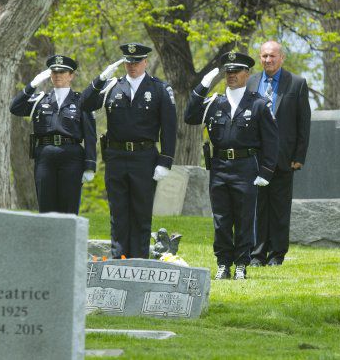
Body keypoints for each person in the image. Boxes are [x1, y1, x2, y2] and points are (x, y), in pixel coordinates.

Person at [186, 52, 278, 280]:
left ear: (247, 74)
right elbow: (189, 116)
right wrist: (203, 86)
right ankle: (223, 263)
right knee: (221, 219)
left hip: (246, 166)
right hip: (219, 166)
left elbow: (271, 141)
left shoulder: (258, 104)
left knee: (245, 218)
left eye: (236, 71)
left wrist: (266, 171)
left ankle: (241, 264)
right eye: (228, 72)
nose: (231, 76)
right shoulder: (214, 103)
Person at [80, 43, 177, 259]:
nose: (132, 66)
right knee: (118, 214)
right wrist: (99, 80)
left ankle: (139, 261)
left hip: (144, 158)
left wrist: (165, 161)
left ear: (146, 62)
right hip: (116, 157)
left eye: (136, 61)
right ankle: (119, 261)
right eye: (128, 61)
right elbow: (84, 104)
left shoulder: (159, 89)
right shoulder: (112, 86)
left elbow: (169, 128)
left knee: (141, 213)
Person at [247, 40, 310, 267]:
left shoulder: (297, 83)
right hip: (255, 158)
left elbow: (303, 124)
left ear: (281, 58)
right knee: (257, 209)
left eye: (272, 56)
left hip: (284, 158)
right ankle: (257, 254)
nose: (268, 60)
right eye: (264, 56)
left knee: (280, 209)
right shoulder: (251, 82)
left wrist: (299, 157)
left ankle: (276, 255)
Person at [9, 55, 97, 214]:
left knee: (69, 207)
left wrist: (90, 165)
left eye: (62, 72)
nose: (57, 75)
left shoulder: (81, 100)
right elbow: (15, 108)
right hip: (45, 156)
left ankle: (68, 239)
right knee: (46, 206)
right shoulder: (40, 100)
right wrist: (31, 85)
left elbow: (90, 135)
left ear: (71, 76)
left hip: (71, 156)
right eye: (54, 72)